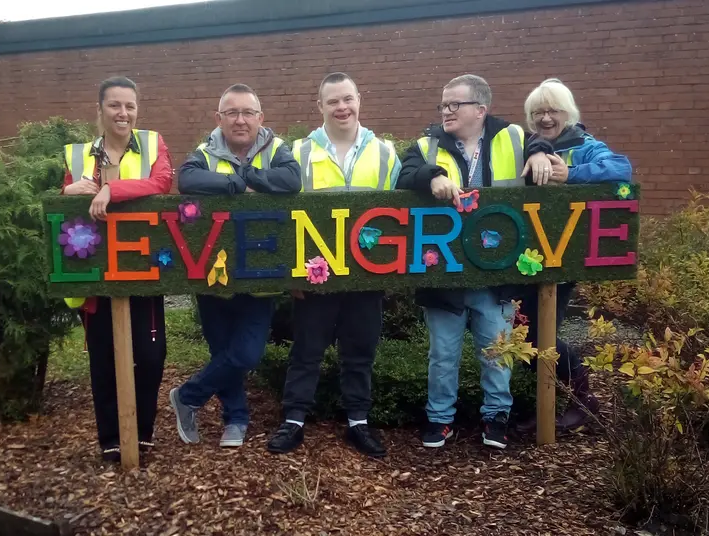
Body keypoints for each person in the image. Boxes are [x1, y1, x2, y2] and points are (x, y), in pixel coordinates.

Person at [396, 74, 554, 450]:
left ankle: (496, 416)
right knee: (443, 355)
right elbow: (403, 173)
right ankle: (439, 419)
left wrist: (538, 151)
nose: (446, 111)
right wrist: (430, 176)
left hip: (495, 275)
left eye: (455, 104)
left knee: (497, 352)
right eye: (444, 105)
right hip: (444, 275)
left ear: (480, 109)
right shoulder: (427, 143)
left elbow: (547, 138)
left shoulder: (514, 137)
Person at [266, 72, 401, 459]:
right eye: (332, 102)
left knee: (360, 351)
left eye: (347, 99)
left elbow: (397, 216)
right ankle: (293, 419)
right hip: (315, 274)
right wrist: (293, 272)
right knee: (306, 350)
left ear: (359, 99)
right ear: (320, 106)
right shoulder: (299, 151)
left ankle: (358, 421)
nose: (342, 108)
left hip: (366, 274)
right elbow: (287, 218)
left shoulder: (386, 152)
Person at [169, 83, 301, 448]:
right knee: (222, 350)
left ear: (261, 118)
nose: (240, 120)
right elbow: (188, 179)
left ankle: (188, 396)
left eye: (247, 113)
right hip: (213, 273)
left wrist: (247, 177)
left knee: (247, 353)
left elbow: (291, 180)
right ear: (219, 118)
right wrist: (236, 184)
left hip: (262, 276)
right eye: (232, 113)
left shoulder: (276, 148)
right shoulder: (205, 151)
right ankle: (236, 419)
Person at [60, 76, 173, 463]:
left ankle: (142, 432)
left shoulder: (153, 142)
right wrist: (67, 192)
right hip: (97, 275)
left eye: (129, 106)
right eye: (114, 106)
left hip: (143, 269)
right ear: (100, 109)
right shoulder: (76, 155)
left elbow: (161, 182)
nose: (123, 113)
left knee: (151, 354)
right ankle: (110, 438)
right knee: (103, 359)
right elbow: (63, 209)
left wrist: (114, 189)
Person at [516, 78, 632, 432]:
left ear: (569, 113)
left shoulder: (583, 146)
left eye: (553, 111)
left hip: (561, 259)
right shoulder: (523, 146)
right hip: (521, 258)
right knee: (519, 335)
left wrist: (573, 174)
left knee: (540, 334)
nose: (545, 118)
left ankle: (584, 401)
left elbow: (621, 170)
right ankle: (544, 406)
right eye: (538, 112)